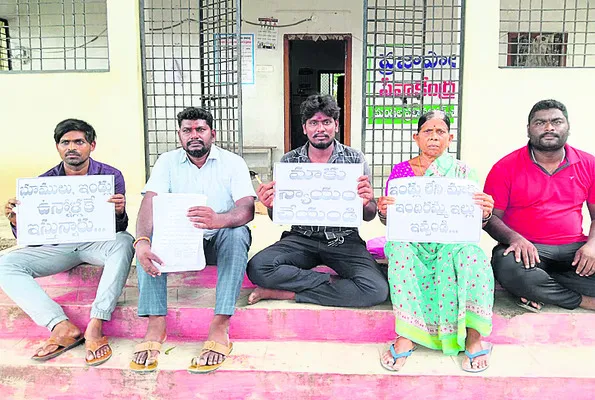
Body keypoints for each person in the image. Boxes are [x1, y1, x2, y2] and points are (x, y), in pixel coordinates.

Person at [130, 106, 255, 374]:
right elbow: (149, 202)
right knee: (146, 239)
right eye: (187, 130)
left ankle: (220, 324)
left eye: (200, 129)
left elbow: (247, 209)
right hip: (179, 243)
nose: (194, 135)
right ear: (180, 135)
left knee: (237, 233)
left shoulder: (233, 163)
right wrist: (141, 240)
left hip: (218, 239)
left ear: (213, 134)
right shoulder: (167, 161)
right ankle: (156, 323)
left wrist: (218, 220)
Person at [0, 118, 134, 366]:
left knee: (125, 241)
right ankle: (60, 326)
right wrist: (18, 221)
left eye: (79, 142)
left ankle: (97, 322)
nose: (72, 147)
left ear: (92, 145)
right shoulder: (42, 183)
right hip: (59, 247)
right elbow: (33, 240)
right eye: (65, 142)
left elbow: (118, 229)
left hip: (96, 243)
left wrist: (119, 212)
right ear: (58, 147)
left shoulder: (110, 176)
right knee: (5, 264)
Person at [377, 110, 495, 373]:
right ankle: (407, 334)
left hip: (452, 243)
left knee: (472, 255)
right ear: (416, 138)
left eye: (440, 131)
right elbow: (390, 221)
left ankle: (473, 337)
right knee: (398, 250)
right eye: (427, 132)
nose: (433, 137)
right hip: (414, 242)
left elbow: (474, 221)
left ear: (449, 138)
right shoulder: (401, 172)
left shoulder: (464, 172)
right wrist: (384, 212)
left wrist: (485, 212)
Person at [246, 94, 388, 308]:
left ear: (336, 125)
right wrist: (271, 205)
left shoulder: (354, 159)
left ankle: (287, 293)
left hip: (343, 240)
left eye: (326, 122)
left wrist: (367, 202)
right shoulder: (290, 161)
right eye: (313, 123)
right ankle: (333, 284)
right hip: (301, 239)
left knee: (376, 289)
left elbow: (369, 215)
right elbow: (279, 216)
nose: (320, 129)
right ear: (305, 128)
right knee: (258, 267)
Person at [484, 99, 595, 312]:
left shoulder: (589, 164)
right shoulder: (505, 167)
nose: (549, 127)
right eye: (540, 122)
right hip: (526, 250)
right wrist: (515, 239)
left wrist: (592, 246)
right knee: (507, 267)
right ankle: (582, 300)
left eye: (556, 121)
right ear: (528, 129)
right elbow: (490, 218)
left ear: (568, 127)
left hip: (574, 250)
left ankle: (539, 285)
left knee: (528, 279)